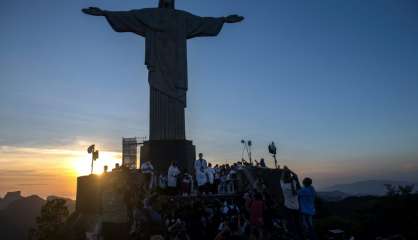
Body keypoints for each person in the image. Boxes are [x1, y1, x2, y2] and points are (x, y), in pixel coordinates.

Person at [280, 166, 302, 239]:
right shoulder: (294, 183)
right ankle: (300, 236)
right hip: (296, 207)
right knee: (297, 223)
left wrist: (284, 170)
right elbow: (295, 176)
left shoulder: (283, 185)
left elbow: (282, 178)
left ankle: (292, 236)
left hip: (288, 207)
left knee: (290, 223)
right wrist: (289, 170)